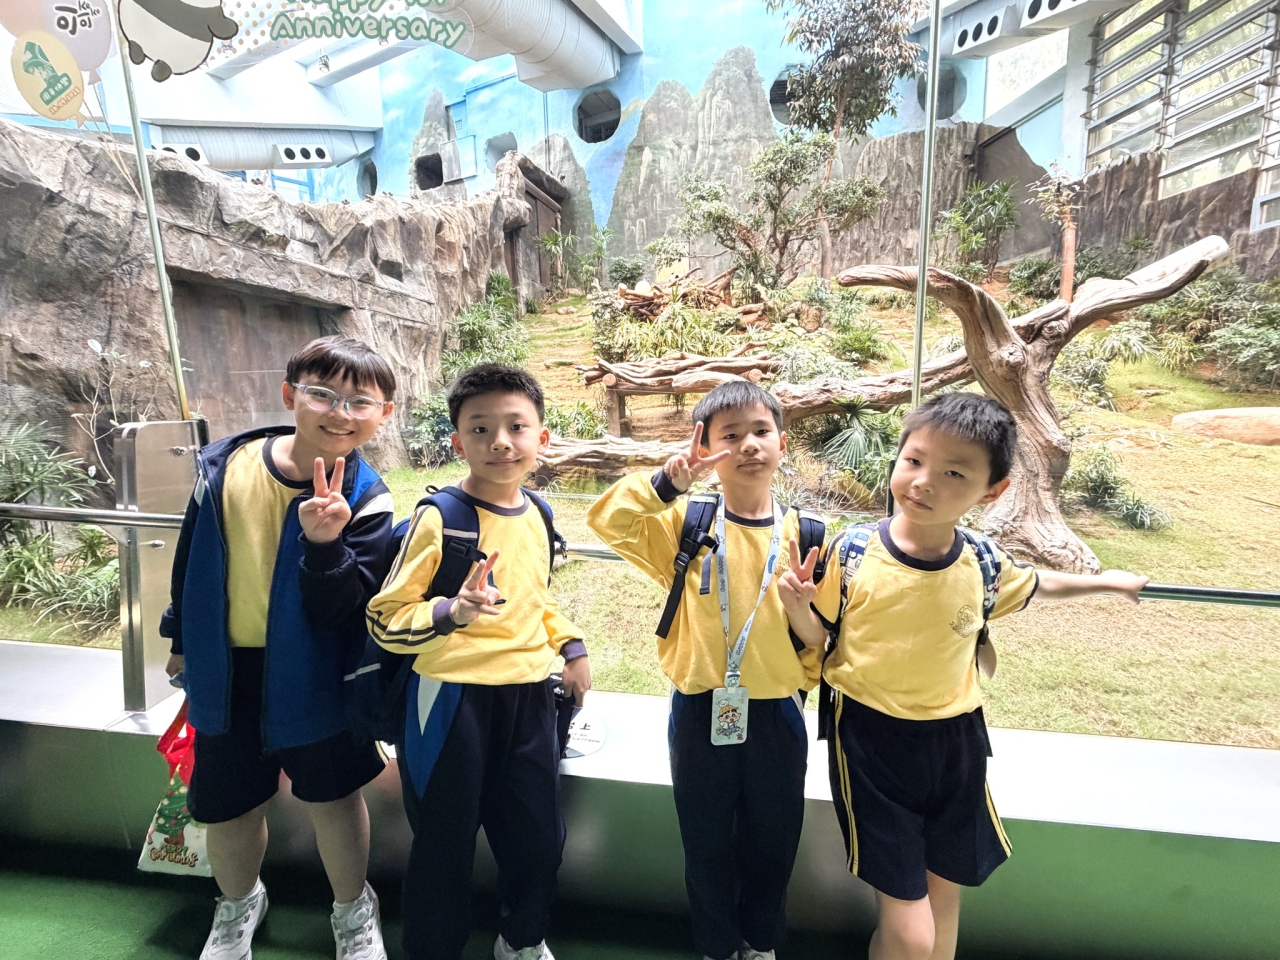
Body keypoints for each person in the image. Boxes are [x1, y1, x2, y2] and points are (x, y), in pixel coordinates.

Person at [780, 392, 1149, 960]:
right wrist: (799, 607)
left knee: (943, 902)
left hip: (957, 741)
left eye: (954, 473)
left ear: (992, 490)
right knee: (912, 931)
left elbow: (1037, 584)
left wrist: (1109, 582)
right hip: (869, 741)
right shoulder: (853, 551)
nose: (924, 481)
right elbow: (819, 639)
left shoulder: (981, 560)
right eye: (914, 460)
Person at [161, 336, 399, 960]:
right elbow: (190, 560)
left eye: (360, 401)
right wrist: (180, 637)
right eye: (322, 394)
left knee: (334, 799)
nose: (339, 413)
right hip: (227, 671)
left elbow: (348, 609)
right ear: (290, 394)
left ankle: (353, 909)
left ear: (383, 414)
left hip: (319, 671)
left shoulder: (369, 497)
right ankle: (238, 903)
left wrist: (325, 543)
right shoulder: (224, 469)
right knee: (228, 806)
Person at [587, 380, 828, 960]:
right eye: (730, 435)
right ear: (707, 447)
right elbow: (608, 520)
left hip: (777, 714)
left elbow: (823, 639)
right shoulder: (689, 525)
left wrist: (800, 647)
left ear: (783, 443)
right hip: (700, 711)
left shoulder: (807, 536)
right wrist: (668, 483)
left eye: (761, 431)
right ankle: (717, 946)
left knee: (774, 842)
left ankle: (760, 943)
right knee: (705, 842)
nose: (748, 445)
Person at [367, 363, 591, 960]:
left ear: (542, 438)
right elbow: (384, 617)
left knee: (538, 839)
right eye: (481, 428)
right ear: (457, 441)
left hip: (530, 699)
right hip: (449, 702)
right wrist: (451, 611)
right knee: (443, 845)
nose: (500, 442)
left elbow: (534, 598)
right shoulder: (441, 517)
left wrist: (570, 646)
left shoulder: (538, 513)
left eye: (517, 426)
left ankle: (521, 940)